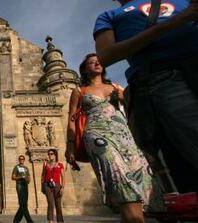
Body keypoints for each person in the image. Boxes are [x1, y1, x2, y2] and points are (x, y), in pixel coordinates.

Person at [94, 0, 198, 194]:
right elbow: (106, 55)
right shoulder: (110, 17)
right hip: (163, 79)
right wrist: (171, 25)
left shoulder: (184, 2)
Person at [66, 53, 165, 223]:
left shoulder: (115, 87)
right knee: (119, 177)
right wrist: (70, 147)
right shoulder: (79, 91)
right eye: (91, 62)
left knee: (139, 178)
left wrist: (125, 99)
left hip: (123, 135)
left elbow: (134, 111)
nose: (97, 63)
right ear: (84, 69)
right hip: (97, 136)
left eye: (98, 61)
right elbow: (72, 120)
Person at [41, 149, 64, 223]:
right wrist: (42, 186)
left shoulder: (60, 164)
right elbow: (43, 175)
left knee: (58, 205)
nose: (49, 155)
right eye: (49, 154)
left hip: (57, 185)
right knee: (51, 203)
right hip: (47, 185)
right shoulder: (45, 164)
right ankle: (50, 221)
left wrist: (62, 188)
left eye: (51, 154)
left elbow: (63, 177)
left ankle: (60, 221)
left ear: (55, 155)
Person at [11, 155, 34, 223]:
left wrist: (27, 179)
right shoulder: (16, 167)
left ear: (24, 160)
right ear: (19, 160)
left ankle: (16, 220)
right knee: (23, 203)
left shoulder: (26, 168)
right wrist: (20, 177)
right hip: (20, 185)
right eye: (20, 159)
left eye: (23, 159)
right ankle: (29, 221)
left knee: (23, 204)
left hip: (25, 186)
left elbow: (29, 178)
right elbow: (13, 177)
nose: (21, 160)